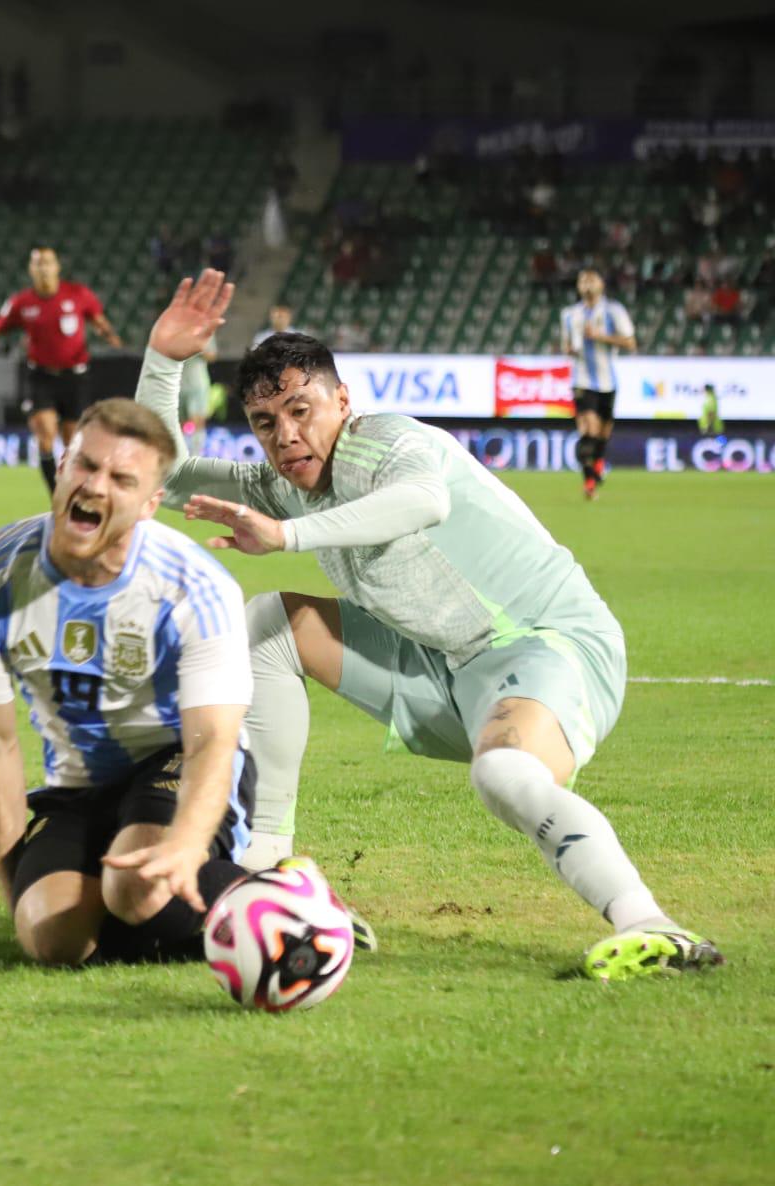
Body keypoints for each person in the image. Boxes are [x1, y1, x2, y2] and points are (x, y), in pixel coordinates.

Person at [135, 270, 722, 983]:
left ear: (342, 401)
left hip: (545, 644)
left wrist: (286, 539)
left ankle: (650, 925)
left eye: (302, 409)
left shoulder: (388, 443)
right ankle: (267, 867)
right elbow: (159, 471)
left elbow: (422, 502)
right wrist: (164, 360)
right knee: (269, 624)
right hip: (439, 663)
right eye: (267, 422)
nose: (287, 435)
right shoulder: (282, 483)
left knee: (504, 771)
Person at [0, 397, 258, 966]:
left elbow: (213, 739)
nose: (95, 485)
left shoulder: (196, 587)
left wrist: (187, 844)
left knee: (137, 889)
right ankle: (182, 915)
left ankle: (281, 902)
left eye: (121, 478)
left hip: (175, 762)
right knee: (53, 940)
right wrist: (15, 885)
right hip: (77, 785)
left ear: (149, 504)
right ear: (61, 467)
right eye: (85, 465)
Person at [0, 246, 122, 493]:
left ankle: (75, 489)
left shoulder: (79, 294)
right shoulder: (21, 302)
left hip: (75, 376)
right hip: (41, 376)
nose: (43, 268)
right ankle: (55, 493)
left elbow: (99, 320)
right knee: (45, 434)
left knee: (73, 441)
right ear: (31, 269)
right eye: (38, 263)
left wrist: (109, 335)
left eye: (48, 262)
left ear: (57, 266)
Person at [560, 269, 635, 500]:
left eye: (592, 279)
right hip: (582, 380)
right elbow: (566, 347)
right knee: (588, 430)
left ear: (601, 284)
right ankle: (590, 481)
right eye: (583, 279)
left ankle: (596, 467)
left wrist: (600, 337)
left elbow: (630, 342)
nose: (587, 284)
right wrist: (571, 349)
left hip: (608, 381)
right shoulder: (570, 314)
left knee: (602, 435)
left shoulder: (614, 310)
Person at [178, 333, 217, 457]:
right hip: (178, 383)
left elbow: (212, 356)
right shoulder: (176, 330)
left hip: (197, 384)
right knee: (180, 423)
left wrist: (198, 348)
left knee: (197, 421)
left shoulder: (205, 330)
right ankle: (181, 457)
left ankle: (196, 457)